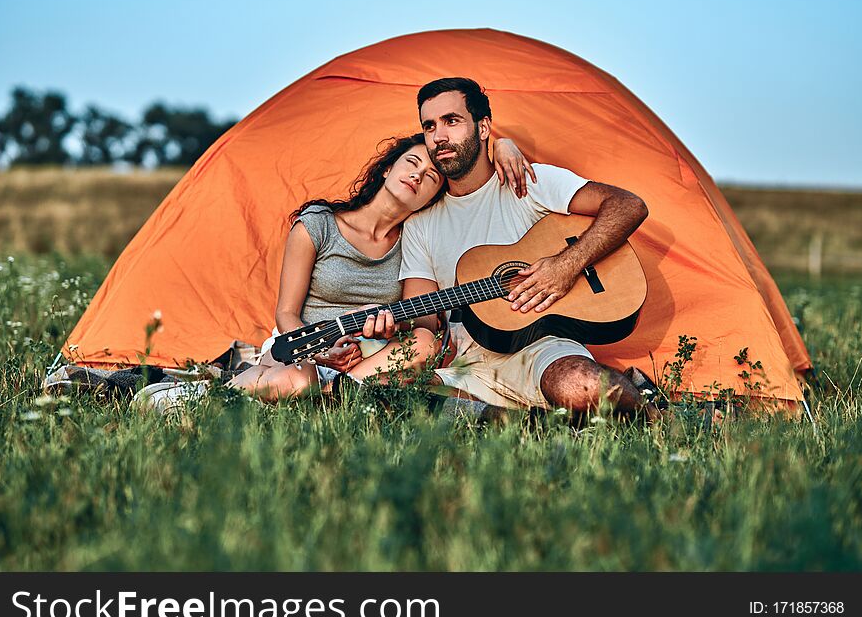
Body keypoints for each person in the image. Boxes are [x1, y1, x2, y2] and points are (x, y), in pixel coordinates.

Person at [136, 132, 530, 410]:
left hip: (367, 359)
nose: (417, 175)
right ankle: (199, 398)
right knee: (301, 380)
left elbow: (422, 325)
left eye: (431, 176)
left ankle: (336, 399)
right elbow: (286, 313)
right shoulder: (318, 223)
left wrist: (501, 143)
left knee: (423, 347)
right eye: (411, 163)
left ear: (434, 194)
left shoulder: (415, 238)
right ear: (388, 168)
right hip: (303, 348)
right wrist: (323, 352)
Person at [384, 77, 656, 415]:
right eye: (429, 126)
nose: (439, 136)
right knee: (394, 400)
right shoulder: (420, 225)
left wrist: (566, 265)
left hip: (543, 349)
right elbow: (424, 321)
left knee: (579, 386)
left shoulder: (527, 180)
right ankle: (531, 421)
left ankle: (655, 414)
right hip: (469, 367)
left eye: (451, 121)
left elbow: (628, 205)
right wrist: (391, 325)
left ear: (483, 128)